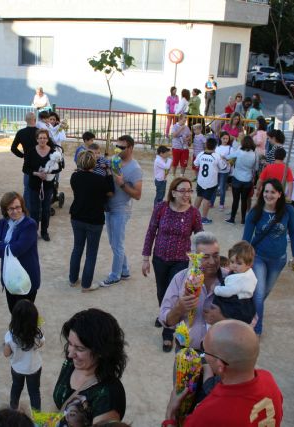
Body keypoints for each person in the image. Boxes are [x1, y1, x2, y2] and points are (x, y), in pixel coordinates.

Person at [163, 320, 284, 426]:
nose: (203, 357)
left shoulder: (209, 412)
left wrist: (170, 416)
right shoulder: (268, 380)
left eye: (205, 352)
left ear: (220, 365)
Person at [142, 177, 203, 351]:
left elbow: (200, 237)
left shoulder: (193, 213)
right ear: (173, 192)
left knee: (174, 295)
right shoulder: (161, 208)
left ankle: (168, 333)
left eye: (189, 190)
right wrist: (146, 258)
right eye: (183, 190)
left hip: (181, 261)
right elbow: (151, 231)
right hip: (159, 258)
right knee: (161, 292)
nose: (187, 194)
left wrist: (201, 259)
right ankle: (165, 314)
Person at [243, 179, 294, 335]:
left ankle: (248, 313)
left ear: (280, 194)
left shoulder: (288, 210)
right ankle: (256, 330)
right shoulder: (255, 212)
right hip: (258, 258)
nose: (268, 195)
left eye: (272, 192)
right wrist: (242, 259)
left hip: (278, 260)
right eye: (266, 191)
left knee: (264, 293)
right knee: (259, 293)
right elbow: (246, 239)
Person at [53, 308, 127, 425]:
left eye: (80, 348)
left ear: (101, 352)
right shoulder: (71, 363)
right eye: (70, 343)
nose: (70, 354)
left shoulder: (109, 395)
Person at [159, 232, 226, 350]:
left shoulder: (232, 279)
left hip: (220, 354)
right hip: (186, 353)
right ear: (194, 256)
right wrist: (179, 309)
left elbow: (251, 320)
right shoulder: (180, 278)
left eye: (216, 255)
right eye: (205, 257)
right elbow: (166, 321)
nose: (212, 261)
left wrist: (224, 321)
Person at [69, 150, 114, 292]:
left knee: (77, 248)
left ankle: (73, 279)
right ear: (94, 164)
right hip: (94, 219)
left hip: (77, 216)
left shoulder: (74, 176)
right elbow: (110, 192)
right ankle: (86, 285)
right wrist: (109, 173)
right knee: (91, 253)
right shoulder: (99, 180)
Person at [101, 135, 143, 287]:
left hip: (121, 209)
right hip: (109, 207)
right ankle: (124, 271)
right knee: (114, 242)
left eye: (122, 147)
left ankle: (115, 275)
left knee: (117, 244)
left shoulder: (135, 169)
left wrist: (122, 184)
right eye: (116, 146)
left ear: (130, 148)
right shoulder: (114, 160)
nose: (118, 149)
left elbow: (137, 195)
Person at [0, 192, 40, 312]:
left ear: (22, 207)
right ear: (5, 210)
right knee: (13, 312)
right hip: (9, 278)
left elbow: (17, 250)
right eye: (10, 208)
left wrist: (2, 245)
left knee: (24, 316)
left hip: (26, 279)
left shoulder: (30, 225)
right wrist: (8, 248)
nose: (15, 211)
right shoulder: (3, 223)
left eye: (18, 207)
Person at [4, 300, 44, 411]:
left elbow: (6, 354)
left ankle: (13, 409)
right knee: (34, 392)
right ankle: (37, 417)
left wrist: (8, 345)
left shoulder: (10, 336)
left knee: (16, 388)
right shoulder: (37, 334)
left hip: (17, 369)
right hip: (34, 368)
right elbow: (41, 343)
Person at [23, 128, 62, 241]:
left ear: (47, 139)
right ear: (37, 139)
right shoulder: (31, 151)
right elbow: (25, 168)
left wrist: (48, 172)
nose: (42, 140)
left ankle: (44, 232)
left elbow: (59, 168)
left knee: (46, 210)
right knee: (34, 210)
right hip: (34, 185)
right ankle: (34, 232)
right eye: (40, 138)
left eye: (44, 138)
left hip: (48, 185)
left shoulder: (53, 152)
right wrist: (37, 173)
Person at [225, 135, 257, 224]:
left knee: (235, 200)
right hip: (248, 179)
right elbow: (256, 168)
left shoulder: (239, 151)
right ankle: (243, 219)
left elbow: (228, 156)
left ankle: (232, 218)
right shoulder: (255, 153)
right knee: (244, 200)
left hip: (237, 178)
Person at [193, 138, 226, 224]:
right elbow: (223, 167)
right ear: (215, 146)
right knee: (207, 199)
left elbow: (195, 164)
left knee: (199, 196)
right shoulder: (216, 156)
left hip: (201, 181)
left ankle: (192, 215)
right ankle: (203, 218)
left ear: (206, 145)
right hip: (211, 182)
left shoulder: (201, 154)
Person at [11, 112, 38, 209]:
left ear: (25, 120)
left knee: (27, 188)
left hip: (27, 163)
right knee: (40, 188)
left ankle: (26, 209)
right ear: (35, 120)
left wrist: (22, 155)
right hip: (40, 162)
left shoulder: (21, 132)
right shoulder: (40, 132)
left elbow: (13, 148)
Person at [213, 132, 233, 211]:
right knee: (214, 186)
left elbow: (232, 159)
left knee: (222, 188)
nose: (225, 140)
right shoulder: (217, 147)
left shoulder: (230, 148)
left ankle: (221, 204)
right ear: (220, 138)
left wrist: (226, 159)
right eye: (223, 138)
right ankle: (211, 202)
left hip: (224, 170)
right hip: (216, 169)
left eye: (227, 138)